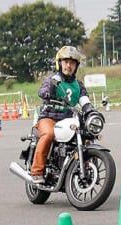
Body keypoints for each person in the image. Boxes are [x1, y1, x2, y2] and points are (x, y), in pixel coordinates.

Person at [29, 45, 98, 184]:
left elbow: (84, 99)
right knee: (48, 134)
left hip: (68, 120)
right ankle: (36, 171)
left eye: (72, 63)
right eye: (66, 62)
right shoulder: (53, 79)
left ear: (76, 66)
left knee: (87, 136)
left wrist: (90, 109)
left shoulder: (78, 85)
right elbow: (43, 90)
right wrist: (47, 92)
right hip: (49, 117)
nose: (68, 65)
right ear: (59, 63)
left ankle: (82, 169)